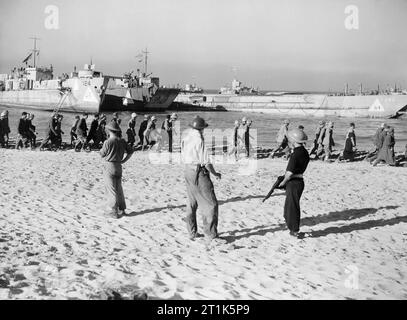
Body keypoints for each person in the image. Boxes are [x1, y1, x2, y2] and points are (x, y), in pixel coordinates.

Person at [181, 116, 222, 243]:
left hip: (188, 170)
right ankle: (210, 235)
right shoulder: (199, 139)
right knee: (211, 204)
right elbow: (206, 161)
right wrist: (215, 173)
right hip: (198, 171)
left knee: (192, 201)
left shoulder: (186, 137)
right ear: (202, 128)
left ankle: (192, 231)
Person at [271, 128, 310, 238]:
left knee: (292, 207)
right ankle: (291, 226)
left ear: (293, 140)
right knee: (291, 206)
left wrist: (282, 183)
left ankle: (294, 230)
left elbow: (289, 174)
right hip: (299, 181)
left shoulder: (295, 154)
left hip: (293, 182)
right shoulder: (304, 152)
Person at [100, 120, 134, 218]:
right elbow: (131, 152)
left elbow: (102, 154)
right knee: (119, 188)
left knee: (111, 189)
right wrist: (123, 160)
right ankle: (122, 209)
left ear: (109, 131)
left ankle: (113, 211)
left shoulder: (108, 142)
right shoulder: (122, 141)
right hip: (119, 166)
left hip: (109, 165)